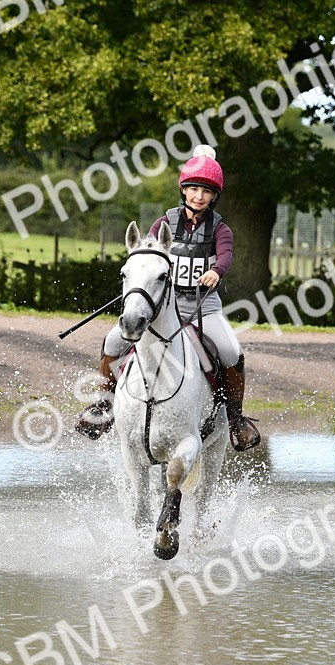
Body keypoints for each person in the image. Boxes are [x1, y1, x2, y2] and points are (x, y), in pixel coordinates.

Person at [76, 145, 261, 451]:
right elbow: (147, 255)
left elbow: (226, 256)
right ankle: (103, 407)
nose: (198, 196)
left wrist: (216, 271)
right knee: (112, 342)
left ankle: (236, 418)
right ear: (183, 190)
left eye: (205, 191)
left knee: (230, 350)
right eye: (193, 189)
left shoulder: (220, 228)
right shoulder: (164, 224)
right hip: (166, 304)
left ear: (214, 196)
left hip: (204, 306)